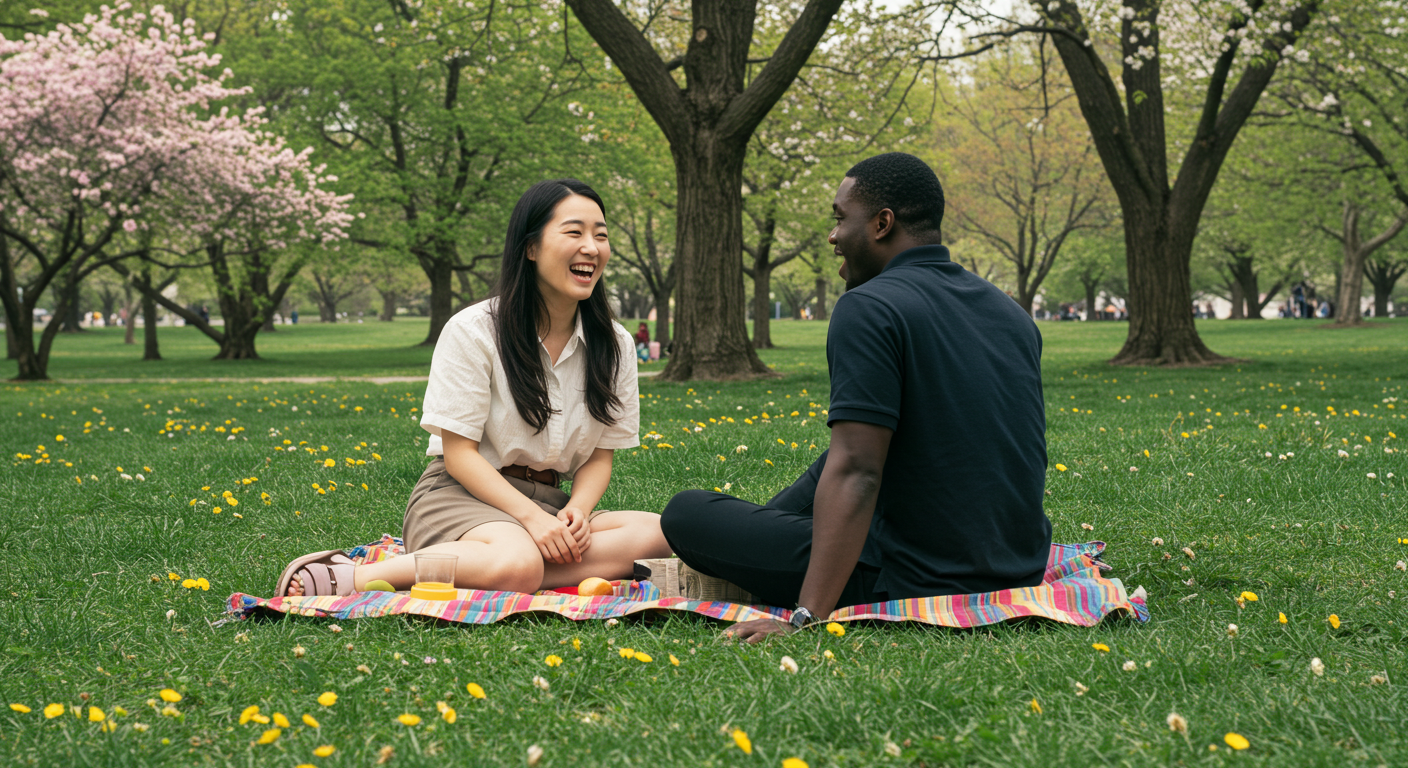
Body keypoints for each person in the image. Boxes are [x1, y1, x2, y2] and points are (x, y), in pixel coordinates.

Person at [660, 153, 1052, 643]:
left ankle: (769, 556)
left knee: (687, 513)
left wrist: (806, 615)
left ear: (882, 224)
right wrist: (769, 524)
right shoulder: (1010, 313)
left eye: (841, 218)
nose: (833, 235)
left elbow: (859, 471)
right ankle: (767, 529)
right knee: (839, 454)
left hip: (917, 576)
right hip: (1017, 567)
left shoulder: (869, 306)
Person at [278, 179, 672, 597]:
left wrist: (576, 509)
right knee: (516, 561)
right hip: (459, 495)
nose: (591, 248)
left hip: (548, 502)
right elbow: (459, 456)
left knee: (657, 534)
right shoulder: (474, 330)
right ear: (531, 247)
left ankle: (500, 569)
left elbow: (600, 455)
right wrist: (532, 520)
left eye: (601, 235)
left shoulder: (615, 344)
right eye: (574, 232)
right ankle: (348, 575)